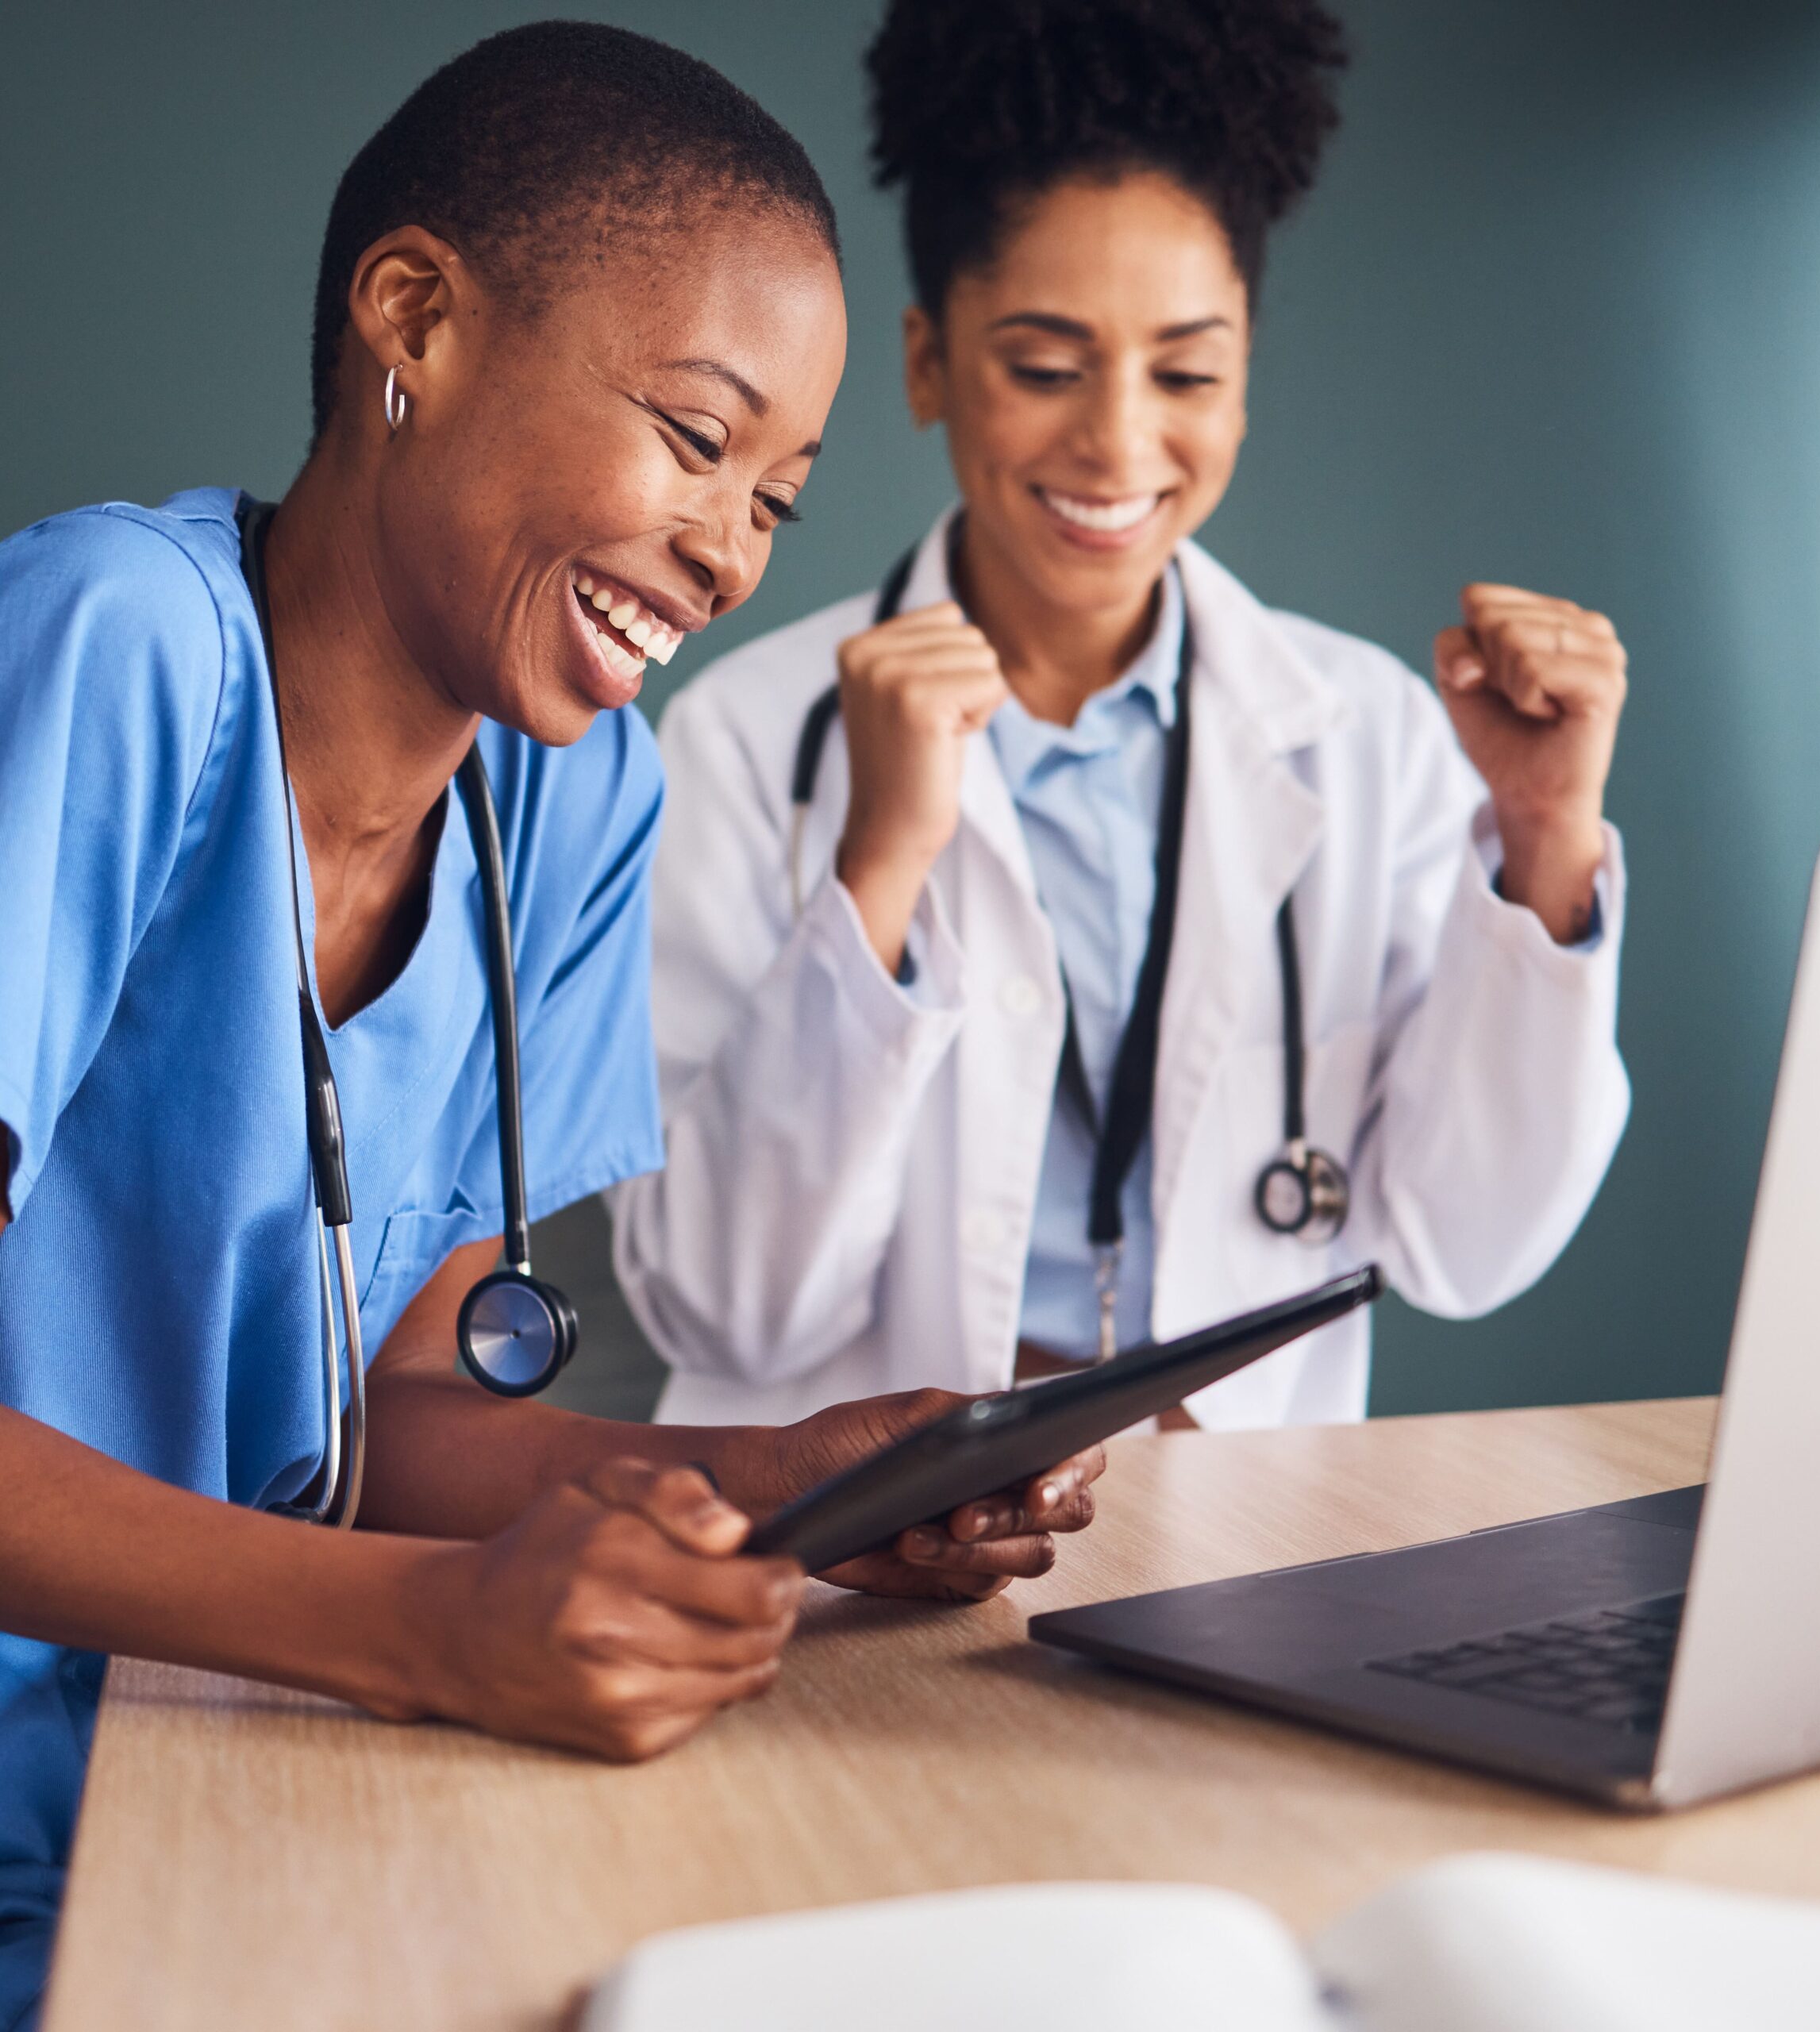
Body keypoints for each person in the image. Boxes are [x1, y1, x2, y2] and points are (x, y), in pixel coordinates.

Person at [0, 26, 1103, 2028]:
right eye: (694, 438)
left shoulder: (573, 804)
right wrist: (434, 1630)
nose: (730, 549)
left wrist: (783, 1485)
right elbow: (395, 1570)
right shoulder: (118, 646)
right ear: (412, 316)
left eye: (773, 496)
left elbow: (390, 1425)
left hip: (242, 1786)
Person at [610, 0, 1633, 1433]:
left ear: (1247, 373)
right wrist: (881, 870)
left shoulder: (1373, 737)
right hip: (867, 1558)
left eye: (1189, 371)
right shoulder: (744, 743)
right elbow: (719, 1304)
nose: (1118, 439)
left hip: (1248, 1546)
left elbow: (1465, 1248)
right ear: (925, 364)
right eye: (1044, 366)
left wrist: (1542, 836)